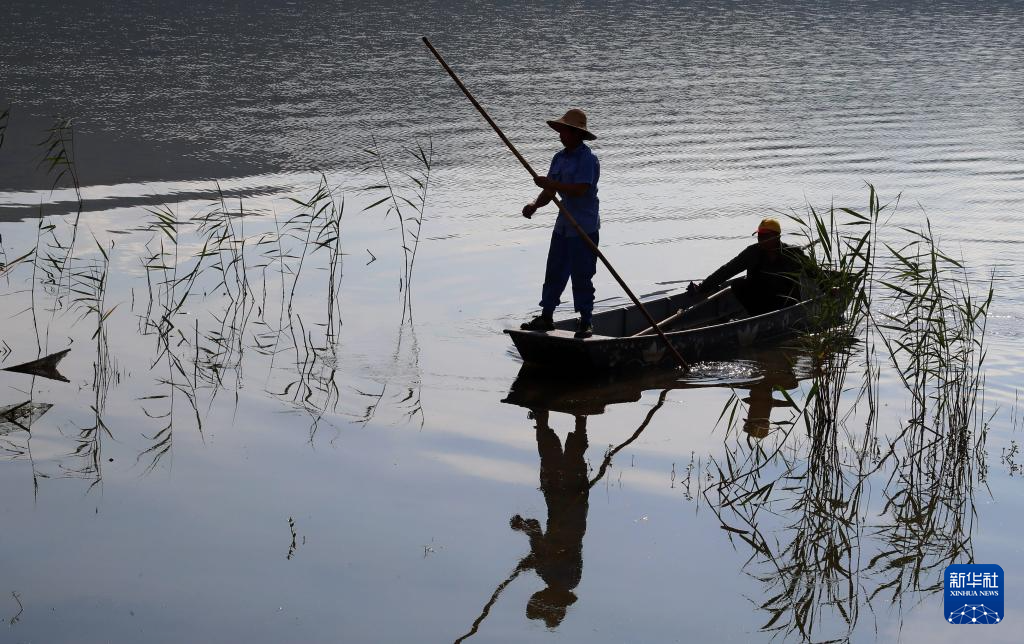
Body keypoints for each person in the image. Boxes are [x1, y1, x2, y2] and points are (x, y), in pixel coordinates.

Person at [520, 108, 601, 338]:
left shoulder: (588, 159)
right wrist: (535, 205)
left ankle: (586, 321)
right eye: (561, 131)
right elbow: (550, 190)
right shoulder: (559, 158)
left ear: (577, 134)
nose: (560, 135)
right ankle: (546, 316)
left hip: (584, 226)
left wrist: (552, 185)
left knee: (582, 274)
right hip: (563, 226)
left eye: (564, 131)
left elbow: (580, 189)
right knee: (554, 271)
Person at [687, 217, 810, 316]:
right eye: (759, 236)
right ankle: (756, 315)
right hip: (762, 300)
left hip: (786, 302)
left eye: (765, 236)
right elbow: (727, 270)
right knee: (738, 284)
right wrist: (703, 286)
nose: (761, 240)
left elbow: (814, 272)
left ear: (777, 237)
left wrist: (827, 287)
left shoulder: (794, 253)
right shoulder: (752, 252)